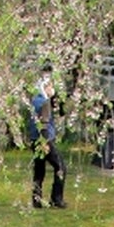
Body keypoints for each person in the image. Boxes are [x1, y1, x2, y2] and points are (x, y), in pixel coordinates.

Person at [28, 66, 66, 210]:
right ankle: (57, 198)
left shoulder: (35, 100)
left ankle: (36, 200)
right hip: (44, 139)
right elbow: (44, 121)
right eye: (50, 86)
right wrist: (45, 141)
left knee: (39, 171)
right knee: (60, 167)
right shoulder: (44, 102)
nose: (52, 88)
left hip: (34, 138)